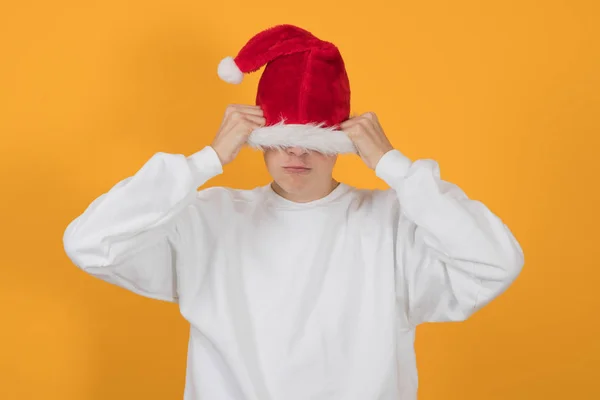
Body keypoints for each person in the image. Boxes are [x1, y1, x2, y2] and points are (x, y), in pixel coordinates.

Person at [63, 24, 524, 400]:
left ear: (341, 140)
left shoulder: (394, 225)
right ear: (256, 137)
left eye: (313, 140)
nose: (295, 153)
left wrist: (395, 166)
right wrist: (204, 161)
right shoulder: (208, 220)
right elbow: (90, 244)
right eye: (281, 137)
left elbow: (496, 262)